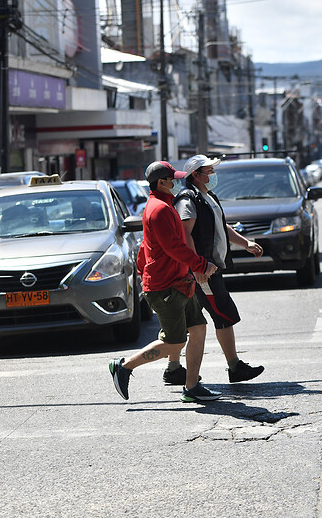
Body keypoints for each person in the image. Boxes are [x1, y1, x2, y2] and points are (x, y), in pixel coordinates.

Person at [109, 160, 222, 403]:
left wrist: (145, 269)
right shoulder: (159, 209)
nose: (176, 182)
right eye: (172, 179)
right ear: (162, 182)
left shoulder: (162, 205)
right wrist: (201, 265)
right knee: (175, 342)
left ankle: (192, 387)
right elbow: (174, 247)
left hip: (178, 282)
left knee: (199, 328)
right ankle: (125, 366)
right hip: (166, 286)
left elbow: (146, 246)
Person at [162, 154, 265, 386]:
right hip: (203, 271)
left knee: (193, 320)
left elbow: (221, 225)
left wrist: (245, 243)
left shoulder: (207, 197)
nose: (213, 175)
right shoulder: (188, 199)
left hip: (209, 268)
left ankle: (174, 368)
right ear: (195, 176)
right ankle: (234, 366)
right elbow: (185, 233)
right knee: (222, 315)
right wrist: (196, 265)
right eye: (209, 171)